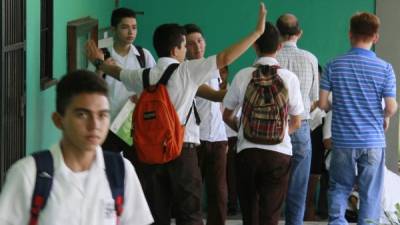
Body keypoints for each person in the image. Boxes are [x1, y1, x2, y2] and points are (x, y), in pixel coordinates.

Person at [86, 3, 267, 225]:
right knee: (189, 214)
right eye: (184, 46)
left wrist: (97, 62)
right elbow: (225, 58)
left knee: (157, 213)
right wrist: (257, 32)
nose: (186, 51)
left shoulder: (144, 74)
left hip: (151, 154)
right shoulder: (186, 71)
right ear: (175, 50)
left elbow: (117, 72)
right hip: (181, 152)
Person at [0, 70, 153, 225]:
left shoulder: (121, 171)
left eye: (102, 115)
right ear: (58, 120)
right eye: (82, 114)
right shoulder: (29, 175)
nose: (95, 125)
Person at [319, 12, 398, 225]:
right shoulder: (385, 68)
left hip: (343, 141)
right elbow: (391, 107)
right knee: (370, 193)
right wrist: (384, 116)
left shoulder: (333, 65)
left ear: (350, 35)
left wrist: (341, 105)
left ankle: (337, 222)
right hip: (373, 141)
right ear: (376, 37)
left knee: (339, 187)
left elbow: (323, 104)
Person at [223, 21, 304, 225]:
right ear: (279, 47)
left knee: (249, 212)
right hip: (279, 154)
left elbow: (227, 115)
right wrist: (281, 131)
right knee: (271, 214)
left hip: (247, 152)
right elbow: (297, 121)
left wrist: (243, 129)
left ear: (254, 46)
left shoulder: (242, 76)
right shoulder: (290, 78)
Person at [92, 7, 156, 156]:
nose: (131, 32)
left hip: (135, 124)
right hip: (107, 125)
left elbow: (155, 85)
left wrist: (143, 97)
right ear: (114, 29)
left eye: (134, 28)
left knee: (135, 171)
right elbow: (90, 88)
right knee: (108, 170)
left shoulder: (143, 55)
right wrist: (101, 67)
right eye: (125, 27)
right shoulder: (102, 55)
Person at [275, 13, 319, 225]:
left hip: (272, 127)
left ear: (277, 33)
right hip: (301, 126)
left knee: (270, 186)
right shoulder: (311, 59)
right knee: (299, 186)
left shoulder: (270, 58)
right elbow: (315, 100)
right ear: (299, 33)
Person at [184, 23, 228, 225]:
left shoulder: (214, 66)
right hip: (196, 139)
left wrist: (225, 135)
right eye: (191, 43)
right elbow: (217, 96)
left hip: (218, 138)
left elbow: (217, 106)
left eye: (199, 41)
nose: (197, 46)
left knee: (219, 192)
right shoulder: (184, 72)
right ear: (184, 47)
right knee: (193, 191)